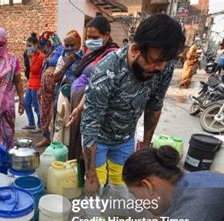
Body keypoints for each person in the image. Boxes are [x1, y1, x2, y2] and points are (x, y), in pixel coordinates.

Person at [81, 14, 185, 197]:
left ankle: (120, 219)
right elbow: (90, 125)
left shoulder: (163, 65)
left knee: (123, 187)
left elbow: (154, 104)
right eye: (155, 61)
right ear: (136, 49)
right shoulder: (107, 71)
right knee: (96, 191)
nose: (161, 68)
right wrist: (90, 175)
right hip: (98, 139)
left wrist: (145, 148)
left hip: (125, 138)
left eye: (165, 61)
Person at [66, 16, 119, 184]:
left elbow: (98, 84)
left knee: (87, 142)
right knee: (77, 140)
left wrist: (82, 104)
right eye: (88, 37)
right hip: (79, 103)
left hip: (91, 105)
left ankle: (88, 178)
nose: (90, 41)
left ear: (107, 35)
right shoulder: (92, 51)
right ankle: (78, 174)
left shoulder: (112, 55)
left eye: (95, 37)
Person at [51, 30, 84, 146]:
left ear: (79, 44)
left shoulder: (84, 59)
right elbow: (55, 79)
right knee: (60, 126)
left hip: (78, 99)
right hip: (62, 98)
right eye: (67, 45)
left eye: (72, 45)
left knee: (74, 128)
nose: (69, 48)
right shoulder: (62, 58)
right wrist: (67, 64)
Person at [35, 31, 63, 147]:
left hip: (55, 89)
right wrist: (40, 89)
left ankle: (53, 140)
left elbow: (61, 67)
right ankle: (46, 137)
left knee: (54, 113)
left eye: (45, 43)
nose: (43, 47)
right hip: (45, 89)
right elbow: (43, 70)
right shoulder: (49, 53)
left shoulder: (61, 50)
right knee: (44, 113)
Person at [23, 32, 45, 131]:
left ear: (36, 45)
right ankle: (31, 123)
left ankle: (41, 126)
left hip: (37, 84)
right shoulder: (31, 55)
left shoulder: (41, 56)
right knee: (26, 103)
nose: (28, 48)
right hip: (30, 83)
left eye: (30, 46)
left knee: (36, 106)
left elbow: (34, 70)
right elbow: (28, 70)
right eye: (27, 46)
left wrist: (30, 58)